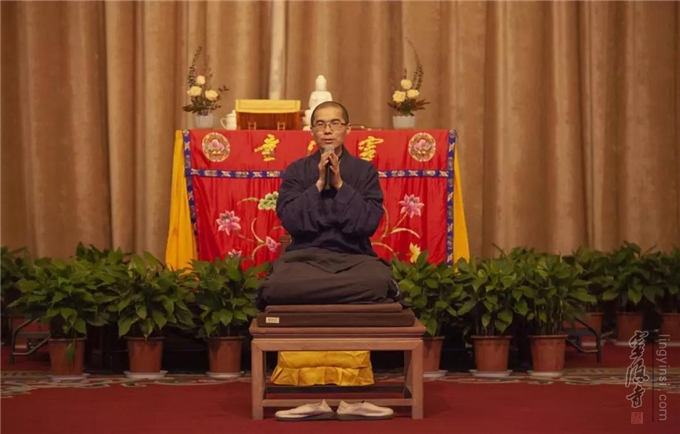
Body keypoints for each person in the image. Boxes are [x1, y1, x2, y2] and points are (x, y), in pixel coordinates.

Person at [256, 101, 402, 309]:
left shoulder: (364, 171)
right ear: (312, 131)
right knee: (276, 287)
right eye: (320, 124)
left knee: (378, 283)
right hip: (305, 258)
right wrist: (318, 184)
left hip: (353, 258)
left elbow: (368, 223)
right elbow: (290, 219)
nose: (327, 130)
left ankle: (320, 292)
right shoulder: (297, 170)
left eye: (335, 123)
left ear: (347, 129)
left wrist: (339, 184)